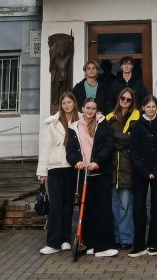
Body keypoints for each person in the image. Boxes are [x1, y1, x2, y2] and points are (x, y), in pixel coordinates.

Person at [66, 97, 118, 258]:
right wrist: (77, 161)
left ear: (97, 110)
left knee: (103, 210)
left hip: (100, 173)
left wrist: (97, 161)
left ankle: (104, 246)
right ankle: (90, 244)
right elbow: (70, 150)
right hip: (84, 175)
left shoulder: (104, 125)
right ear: (82, 108)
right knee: (87, 210)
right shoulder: (74, 127)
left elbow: (108, 146)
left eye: (93, 109)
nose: (90, 111)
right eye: (88, 108)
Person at [36, 91, 79, 255]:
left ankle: (66, 239)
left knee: (68, 205)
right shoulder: (52, 123)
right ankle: (53, 242)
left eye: (69, 102)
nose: (67, 105)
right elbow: (45, 147)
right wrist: (42, 171)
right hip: (54, 168)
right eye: (64, 103)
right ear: (61, 105)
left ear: (74, 103)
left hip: (72, 168)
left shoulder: (81, 120)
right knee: (55, 206)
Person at [129, 95, 157, 257]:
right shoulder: (136, 126)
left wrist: (156, 171)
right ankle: (139, 245)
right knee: (138, 208)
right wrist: (144, 171)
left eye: (153, 106)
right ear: (143, 107)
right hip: (140, 172)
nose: (151, 109)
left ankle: (154, 243)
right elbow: (134, 151)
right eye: (148, 106)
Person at [106, 87, 140, 250]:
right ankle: (116, 238)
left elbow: (132, 139)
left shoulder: (136, 116)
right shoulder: (110, 117)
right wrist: (122, 140)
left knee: (126, 206)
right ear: (119, 99)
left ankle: (126, 238)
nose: (125, 101)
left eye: (128, 99)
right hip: (113, 167)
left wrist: (116, 139)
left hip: (127, 167)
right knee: (114, 207)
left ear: (132, 102)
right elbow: (108, 138)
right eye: (123, 98)